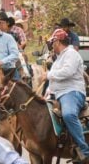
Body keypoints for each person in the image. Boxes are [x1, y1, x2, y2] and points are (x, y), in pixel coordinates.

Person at [43, 29, 89, 161]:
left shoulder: (71, 54)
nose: (51, 46)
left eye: (52, 43)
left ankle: (84, 150)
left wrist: (48, 75)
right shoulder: (59, 59)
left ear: (57, 42)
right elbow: (54, 81)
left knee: (68, 114)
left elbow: (67, 72)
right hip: (58, 94)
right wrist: (47, 93)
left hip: (72, 92)